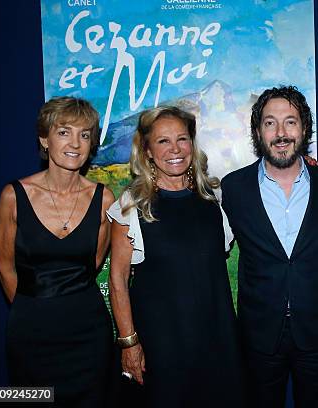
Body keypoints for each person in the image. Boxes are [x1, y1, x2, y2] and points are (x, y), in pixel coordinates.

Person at [107, 106, 242, 407]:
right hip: (161, 345)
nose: (175, 149)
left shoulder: (212, 199)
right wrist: (129, 342)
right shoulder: (132, 204)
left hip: (216, 337)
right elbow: (117, 279)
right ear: (147, 151)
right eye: (163, 141)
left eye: (182, 139)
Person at [0, 96, 115, 406]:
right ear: (44, 139)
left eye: (85, 134)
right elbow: (5, 268)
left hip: (88, 335)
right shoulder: (13, 196)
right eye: (64, 132)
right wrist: (32, 309)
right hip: (30, 335)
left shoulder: (104, 200)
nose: (75, 142)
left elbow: (95, 263)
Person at [221, 86, 318, 407]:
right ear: (258, 132)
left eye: (291, 122)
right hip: (259, 334)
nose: (281, 133)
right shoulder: (234, 187)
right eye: (270, 123)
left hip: (315, 332)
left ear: (304, 129)